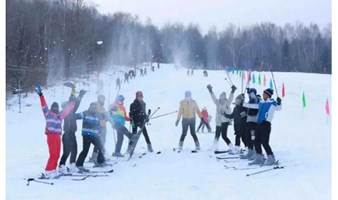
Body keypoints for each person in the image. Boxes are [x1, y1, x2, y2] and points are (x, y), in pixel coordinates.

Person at [35, 84, 75, 178]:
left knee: (57, 154)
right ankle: (48, 171)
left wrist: (72, 99)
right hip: (51, 136)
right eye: (54, 107)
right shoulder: (48, 114)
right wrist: (41, 95)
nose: (55, 109)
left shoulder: (60, 116)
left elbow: (68, 109)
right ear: (52, 108)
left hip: (57, 136)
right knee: (53, 154)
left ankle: (53, 170)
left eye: (56, 107)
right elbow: (44, 105)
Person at [244, 89, 282, 165]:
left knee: (265, 142)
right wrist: (243, 103)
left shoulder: (272, 103)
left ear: (268, 95)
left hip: (266, 124)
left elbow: (278, 108)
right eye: (263, 94)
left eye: (264, 94)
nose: (263, 95)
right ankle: (259, 157)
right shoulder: (261, 102)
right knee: (256, 141)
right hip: (258, 124)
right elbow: (253, 106)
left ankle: (271, 158)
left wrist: (279, 103)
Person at [58, 86, 86, 173]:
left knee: (74, 150)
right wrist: (77, 93)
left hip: (71, 133)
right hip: (67, 134)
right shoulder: (65, 112)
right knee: (67, 151)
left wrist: (80, 95)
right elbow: (74, 102)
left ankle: (72, 165)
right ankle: (62, 165)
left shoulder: (71, 112)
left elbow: (75, 103)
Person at [75, 103, 107, 172]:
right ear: (90, 107)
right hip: (86, 135)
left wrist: (99, 132)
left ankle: (100, 162)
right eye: (93, 107)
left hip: (94, 135)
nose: (94, 108)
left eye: (95, 107)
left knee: (100, 147)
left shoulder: (97, 115)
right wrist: (71, 115)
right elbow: (77, 116)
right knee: (85, 150)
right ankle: (79, 164)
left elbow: (99, 124)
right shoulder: (85, 113)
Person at [207, 84, 236, 152]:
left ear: (225, 98)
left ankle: (231, 147)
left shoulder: (227, 103)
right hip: (218, 121)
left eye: (223, 97)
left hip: (224, 122)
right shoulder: (218, 102)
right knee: (217, 135)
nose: (221, 98)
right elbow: (213, 98)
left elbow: (231, 98)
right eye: (221, 97)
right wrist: (210, 91)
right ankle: (215, 147)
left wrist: (232, 91)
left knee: (224, 136)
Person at [240, 88, 260, 160]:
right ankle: (250, 151)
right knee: (247, 137)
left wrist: (250, 92)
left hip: (254, 122)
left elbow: (253, 102)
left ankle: (255, 152)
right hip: (249, 121)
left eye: (251, 93)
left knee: (253, 137)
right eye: (250, 93)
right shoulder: (250, 100)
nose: (250, 95)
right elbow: (249, 108)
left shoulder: (256, 99)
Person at [89, 95, 108, 163]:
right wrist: (102, 116)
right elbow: (94, 114)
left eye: (104, 99)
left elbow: (106, 116)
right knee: (98, 142)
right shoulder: (96, 105)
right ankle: (94, 157)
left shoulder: (103, 107)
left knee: (102, 142)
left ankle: (100, 156)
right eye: (102, 99)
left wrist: (106, 117)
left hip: (103, 126)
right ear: (99, 99)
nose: (103, 100)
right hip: (98, 126)